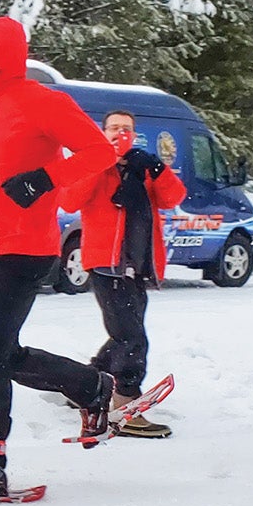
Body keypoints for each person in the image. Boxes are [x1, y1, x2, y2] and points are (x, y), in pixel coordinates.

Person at [0, 16, 122, 500]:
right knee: (0, 354)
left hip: (28, 247)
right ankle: (92, 387)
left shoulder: (43, 102)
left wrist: (45, 179)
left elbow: (98, 153)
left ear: (6, 56)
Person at [55, 109, 188, 438]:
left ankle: (88, 383)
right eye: (113, 128)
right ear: (103, 132)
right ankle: (125, 402)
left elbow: (174, 198)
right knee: (131, 337)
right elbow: (69, 200)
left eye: (126, 128)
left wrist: (157, 169)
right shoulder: (93, 163)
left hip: (138, 264)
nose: (120, 133)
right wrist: (99, 162)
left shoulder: (142, 168)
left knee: (124, 331)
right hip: (106, 263)